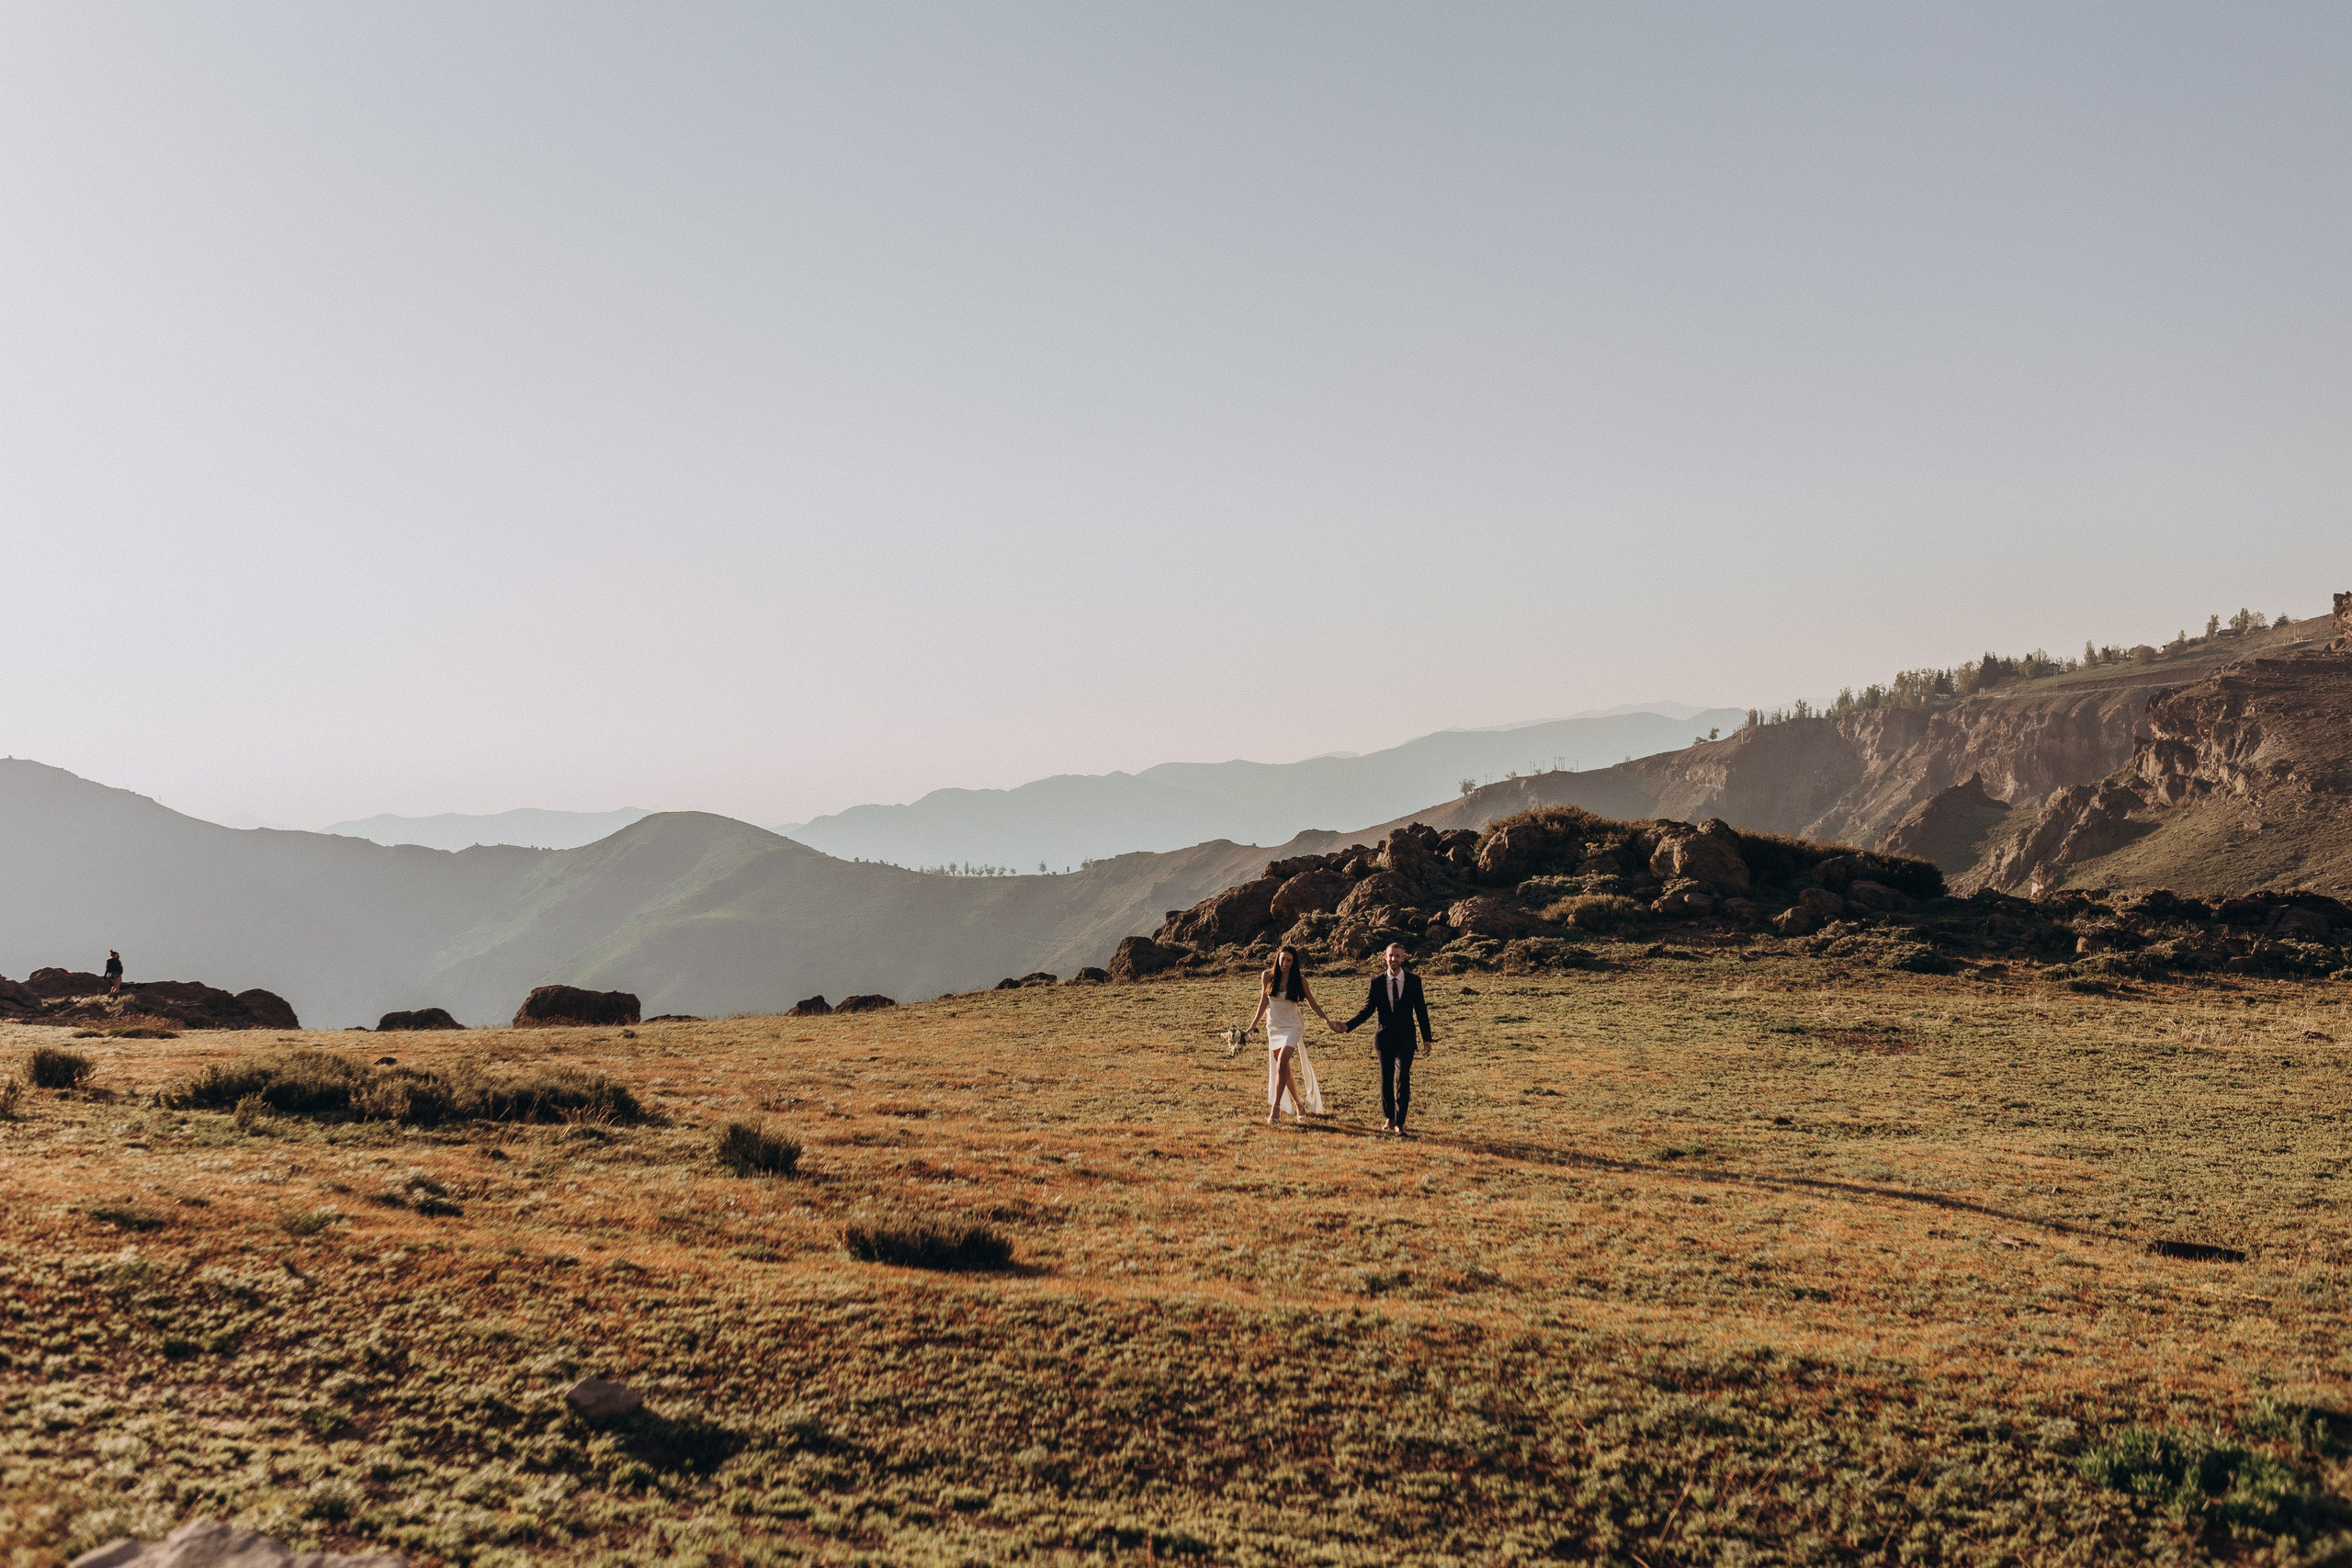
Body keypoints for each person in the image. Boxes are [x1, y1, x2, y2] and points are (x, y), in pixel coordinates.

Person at [1340, 942, 1434, 1136]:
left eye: (1398, 956)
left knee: (1403, 1078)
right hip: (1384, 1039)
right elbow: (1367, 1010)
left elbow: (1421, 1011)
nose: (1394, 959)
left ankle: (1400, 1123)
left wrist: (1427, 1038)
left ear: (1403, 958)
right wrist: (1348, 1026)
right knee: (1386, 1079)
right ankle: (1389, 1118)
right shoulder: (1376, 982)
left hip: (1407, 1039)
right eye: (1391, 955)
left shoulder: (1414, 981)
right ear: (1385, 957)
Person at [1243, 945, 1338, 1125]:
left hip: (1293, 1025)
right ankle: (1299, 1104)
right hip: (1274, 1026)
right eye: (1283, 959)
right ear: (1277, 958)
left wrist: (1326, 1020)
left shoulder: (1299, 980)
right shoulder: (1267, 976)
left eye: (1289, 960)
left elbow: (1312, 1002)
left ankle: (1276, 1108)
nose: (1285, 963)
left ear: (1293, 963)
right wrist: (1252, 1027)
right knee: (1283, 1068)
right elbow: (1263, 1002)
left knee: (1282, 1062)